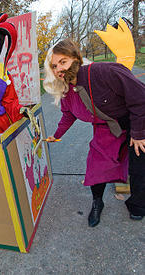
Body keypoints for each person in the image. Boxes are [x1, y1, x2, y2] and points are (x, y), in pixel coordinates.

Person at [43, 39, 145, 227]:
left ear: (76, 58)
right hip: (106, 127)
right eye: (54, 66)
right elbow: (68, 115)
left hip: (136, 120)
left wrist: (138, 133)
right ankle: (97, 202)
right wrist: (57, 134)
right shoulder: (67, 92)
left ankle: (138, 206)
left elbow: (140, 98)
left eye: (63, 62)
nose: (59, 69)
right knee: (96, 167)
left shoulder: (105, 72)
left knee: (139, 166)